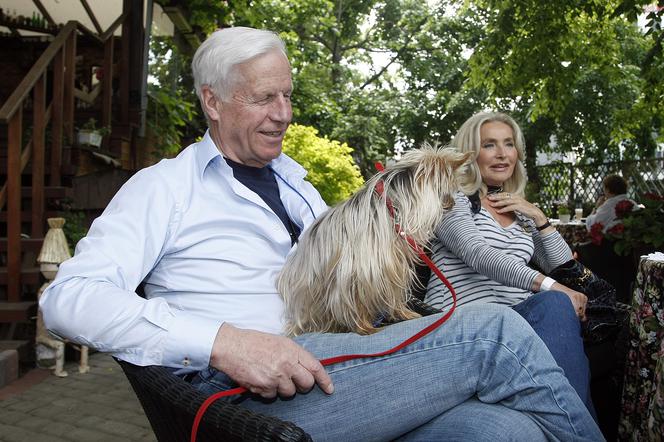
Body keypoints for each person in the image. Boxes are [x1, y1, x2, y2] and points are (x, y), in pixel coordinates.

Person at [40, 28, 603, 441]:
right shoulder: (163, 188)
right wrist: (225, 342)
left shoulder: (300, 187)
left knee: (504, 431)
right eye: (264, 98)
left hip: (334, 371)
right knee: (496, 333)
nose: (284, 114)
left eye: (287, 95)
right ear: (211, 101)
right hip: (246, 399)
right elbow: (67, 299)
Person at [424, 112, 596, 415]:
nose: (503, 154)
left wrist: (539, 219)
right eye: (489, 145)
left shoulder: (517, 210)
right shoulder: (449, 198)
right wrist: (552, 288)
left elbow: (563, 267)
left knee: (558, 311)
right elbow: (476, 252)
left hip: (517, 322)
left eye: (509, 144)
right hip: (466, 321)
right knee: (554, 302)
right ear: (470, 153)